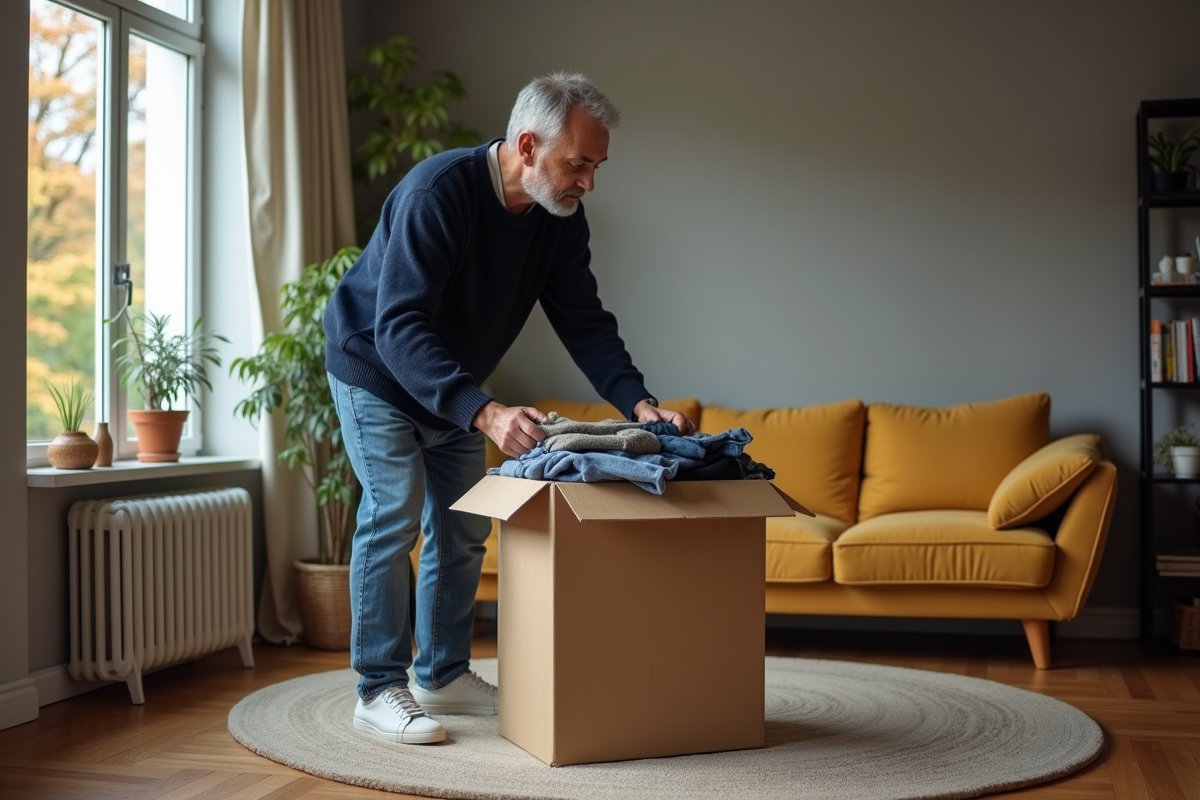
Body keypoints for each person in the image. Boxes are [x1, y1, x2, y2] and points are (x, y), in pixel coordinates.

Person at [323, 71, 694, 745]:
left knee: (464, 527)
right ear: (528, 145)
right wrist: (487, 413)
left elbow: (583, 320)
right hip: (375, 370)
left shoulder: (558, 223)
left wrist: (639, 404)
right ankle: (377, 689)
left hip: (450, 387)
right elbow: (399, 327)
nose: (588, 182)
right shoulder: (439, 194)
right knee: (392, 517)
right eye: (578, 163)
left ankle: (441, 674)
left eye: (595, 166)